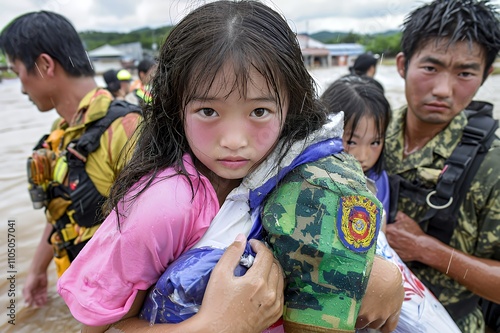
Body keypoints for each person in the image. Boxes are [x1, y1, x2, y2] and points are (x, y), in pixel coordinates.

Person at [57, 1, 403, 332]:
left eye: (259, 112)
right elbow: (97, 330)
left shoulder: (299, 176)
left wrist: (377, 275)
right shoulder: (165, 208)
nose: (235, 140)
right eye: (208, 112)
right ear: (176, 107)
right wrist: (215, 327)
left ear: (291, 105)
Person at [0, 11, 141, 308]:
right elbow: (62, 210)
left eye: (17, 71)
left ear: (44, 65)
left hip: (115, 306)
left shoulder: (126, 130)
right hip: (81, 293)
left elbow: (154, 240)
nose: (21, 87)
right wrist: (37, 270)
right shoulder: (60, 134)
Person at [382, 1, 500, 332]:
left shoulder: (493, 164)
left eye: (464, 73)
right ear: (403, 64)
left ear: (485, 76)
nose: (442, 90)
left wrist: (428, 250)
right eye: (431, 68)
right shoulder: (370, 136)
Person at [321, 75, 461, 333]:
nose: (363, 156)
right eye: (350, 141)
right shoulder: (315, 183)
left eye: (375, 142)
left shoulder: (379, 181)